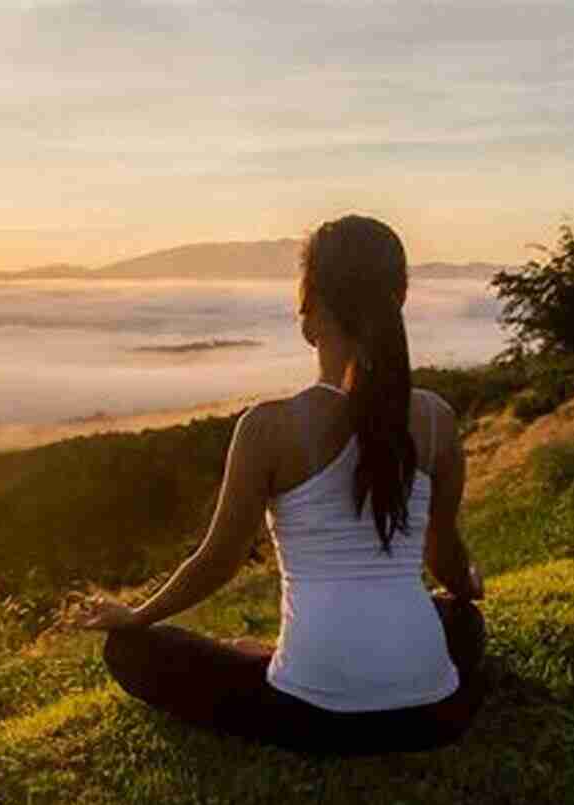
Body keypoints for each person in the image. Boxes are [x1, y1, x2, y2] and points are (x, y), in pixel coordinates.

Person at [69, 215, 487, 755]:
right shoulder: (436, 421)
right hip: (433, 716)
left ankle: (271, 660)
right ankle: (289, 657)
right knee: (463, 623)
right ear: (398, 301)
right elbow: (446, 558)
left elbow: (216, 562)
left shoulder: (269, 428)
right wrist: (466, 585)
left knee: (129, 651)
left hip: (310, 718)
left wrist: (136, 615)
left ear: (310, 315)